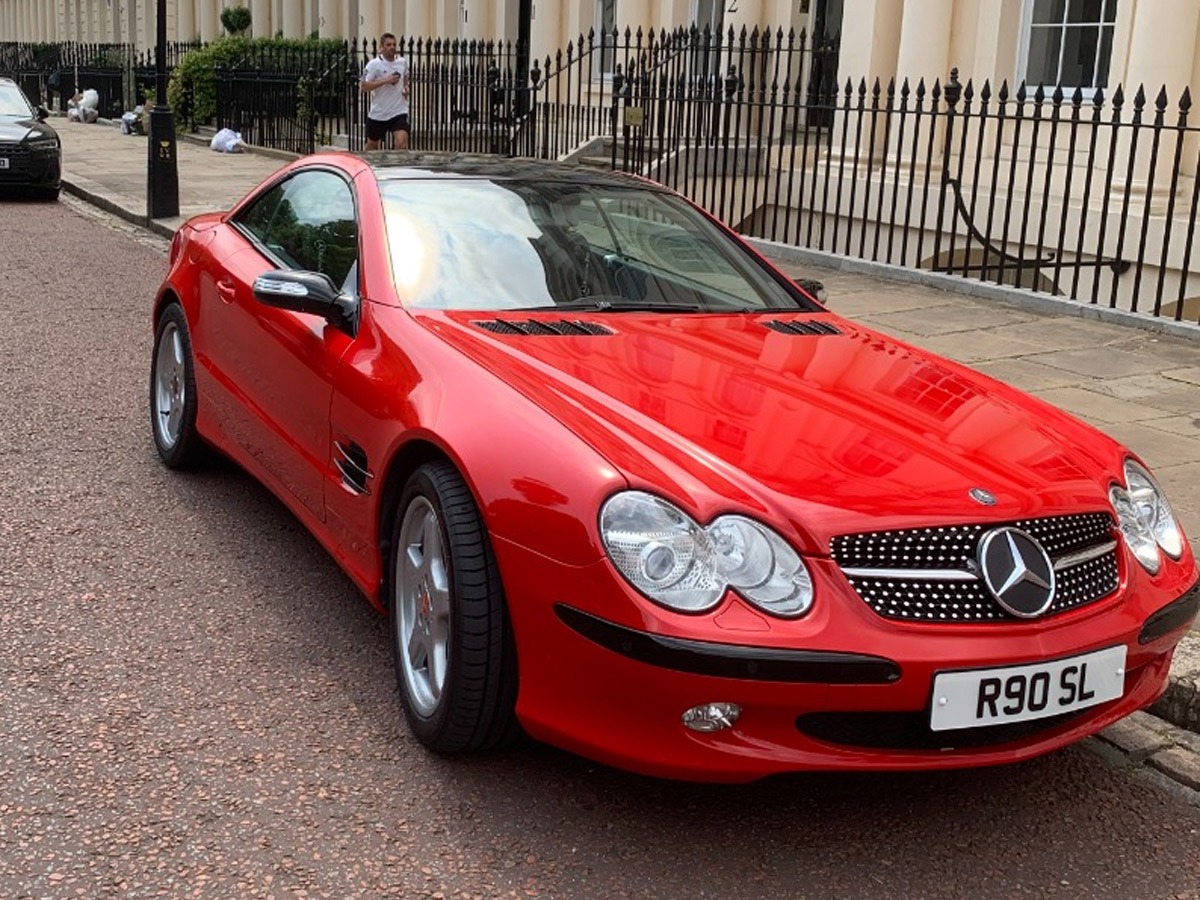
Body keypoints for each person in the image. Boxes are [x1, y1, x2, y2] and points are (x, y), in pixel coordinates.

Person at [361, 33, 410, 151]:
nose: (392, 47)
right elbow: (363, 87)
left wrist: (406, 88)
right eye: (388, 45)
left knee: (402, 143)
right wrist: (385, 80)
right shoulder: (373, 65)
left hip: (399, 111)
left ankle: (397, 168)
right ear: (381, 47)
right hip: (379, 113)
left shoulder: (402, 62)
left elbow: (406, 79)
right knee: (372, 146)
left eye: (394, 44)